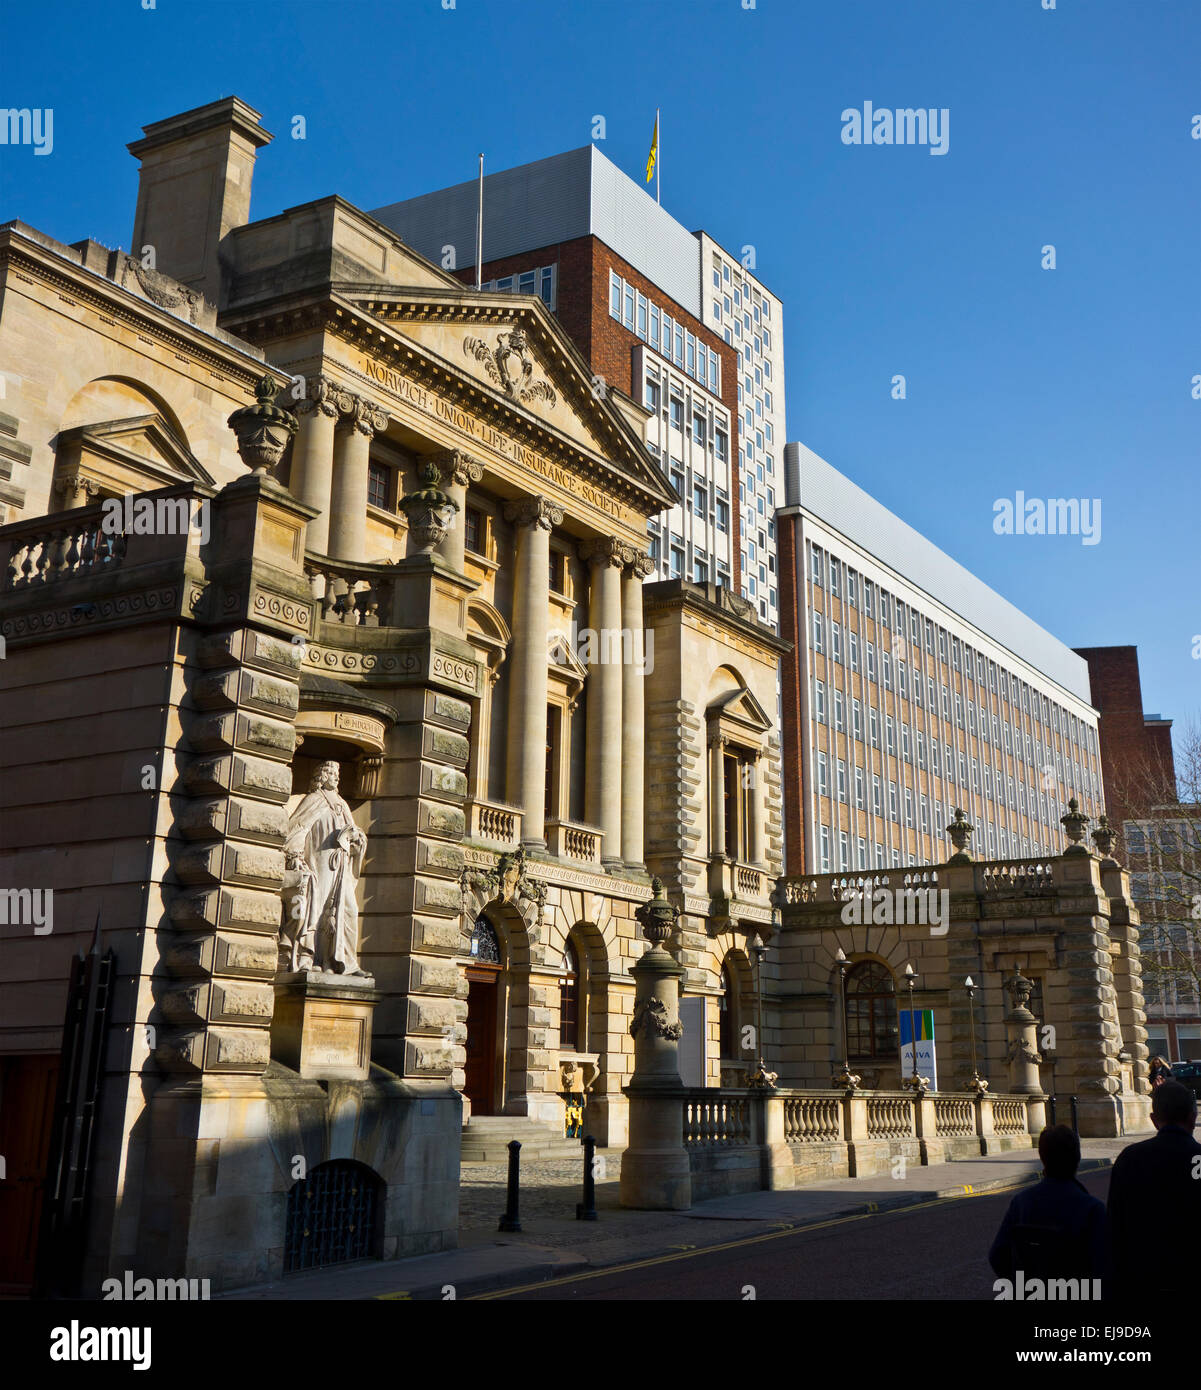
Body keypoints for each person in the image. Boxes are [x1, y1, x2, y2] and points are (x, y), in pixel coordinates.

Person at [1107, 1080, 1201, 1295]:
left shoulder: (1129, 1159)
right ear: (1193, 1118)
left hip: (1142, 1280)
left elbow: (1115, 1226)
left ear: (1153, 1120)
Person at [989, 1125, 1108, 1283]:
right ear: (1078, 1158)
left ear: (1042, 1157)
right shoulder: (1092, 1209)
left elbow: (997, 1256)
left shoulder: (1021, 1202)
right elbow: (1105, 1267)